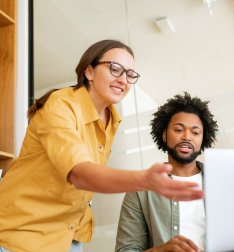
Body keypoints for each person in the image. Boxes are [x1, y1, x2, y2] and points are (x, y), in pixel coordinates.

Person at [0, 40, 203, 252]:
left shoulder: (111, 119)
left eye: (130, 74)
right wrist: (144, 180)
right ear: (89, 71)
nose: (123, 80)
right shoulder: (61, 105)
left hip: (68, 237)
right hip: (21, 234)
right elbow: (79, 174)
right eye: (115, 69)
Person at [115, 92, 218, 252]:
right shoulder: (140, 191)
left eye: (195, 132)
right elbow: (125, 250)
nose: (187, 137)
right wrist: (161, 250)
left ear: (203, 139)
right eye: (178, 130)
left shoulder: (221, 183)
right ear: (164, 135)